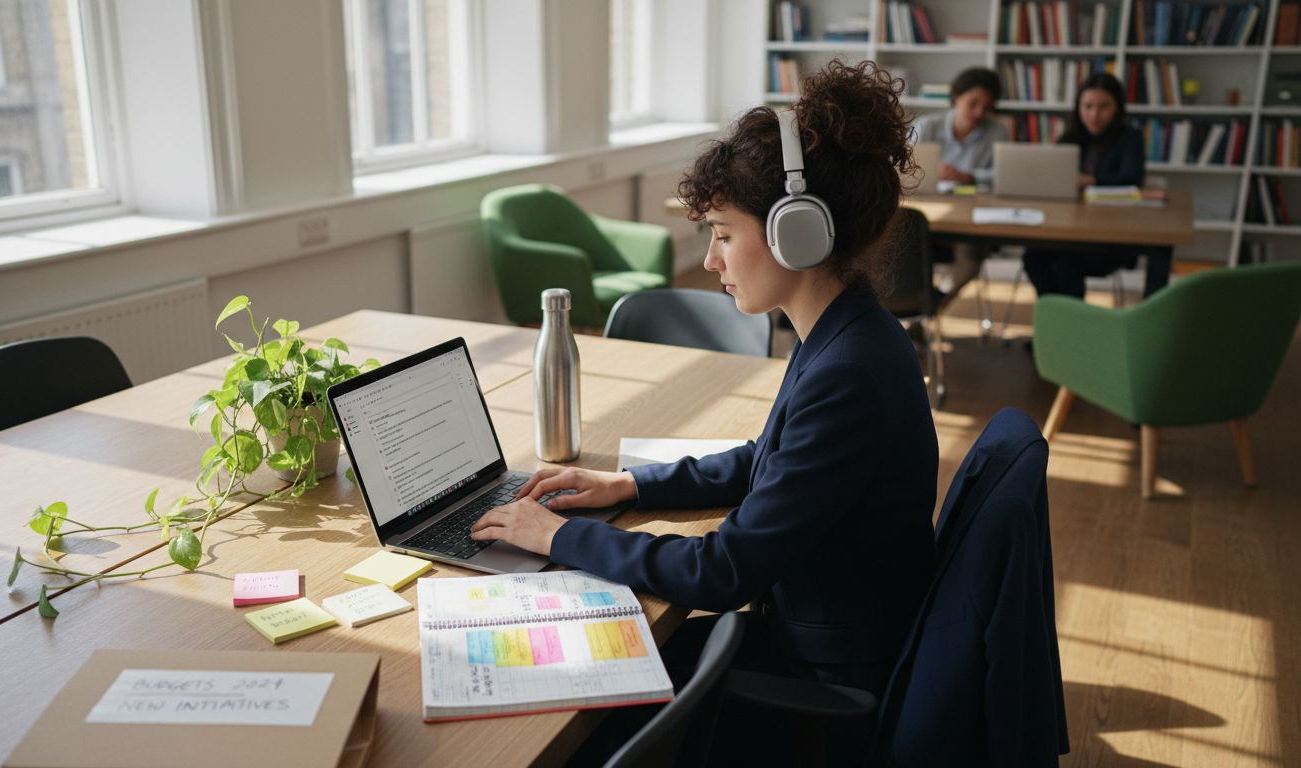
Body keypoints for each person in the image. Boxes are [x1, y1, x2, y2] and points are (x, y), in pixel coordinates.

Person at [471, 61, 938, 706]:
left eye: (722, 234)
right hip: (821, 632)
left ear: (795, 234)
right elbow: (769, 461)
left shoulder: (849, 371)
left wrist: (557, 536)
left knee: (576, 693)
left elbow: (723, 572)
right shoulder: (845, 330)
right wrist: (630, 483)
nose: (710, 259)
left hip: (828, 676)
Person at [1023, 72, 1146, 299]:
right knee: (1033, 257)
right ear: (1078, 107)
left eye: (1103, 107)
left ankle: (1071, 326)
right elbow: (1053, 175)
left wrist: (1091, 180)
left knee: (1068, 264)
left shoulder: (1130, 138)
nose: (1094, 114)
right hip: (1066, 229)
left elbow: (1132, 179)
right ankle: (1056, 318)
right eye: (1087, 106)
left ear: (1117, 107)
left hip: (1111, 234)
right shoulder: (1070, 137)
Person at [911, 67, 1009, 305]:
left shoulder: (997, 131)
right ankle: (916, 308)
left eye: (986, 107)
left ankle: (932, 308)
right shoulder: (926, 127)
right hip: (929, 212)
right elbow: (902, 167)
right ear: (956, 97)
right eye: (973, 103)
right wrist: (932, 172)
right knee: (904, 248)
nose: (979, 112)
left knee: (971, 259)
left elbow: (1004, 174)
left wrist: (969, 176)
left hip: (971, 216)